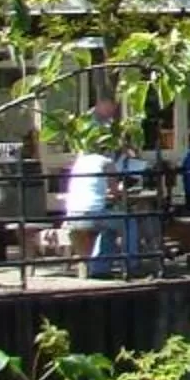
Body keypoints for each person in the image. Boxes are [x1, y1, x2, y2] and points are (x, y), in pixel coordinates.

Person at [63, 98, 134, 278]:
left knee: (109, 227)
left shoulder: (80, 161)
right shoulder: (106, 162)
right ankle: (133, 263)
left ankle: (100, 268)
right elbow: (116, 192)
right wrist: (119, 188)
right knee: (129, 221)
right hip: (92, 215)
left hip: (72, 214)